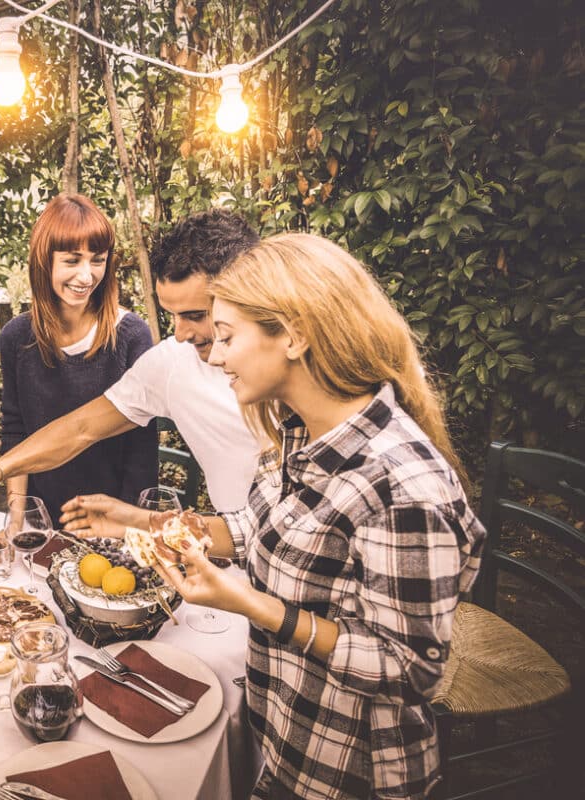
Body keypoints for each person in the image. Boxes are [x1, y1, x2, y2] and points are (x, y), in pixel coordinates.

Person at [152, 233, 484, 799]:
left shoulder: (403, 488)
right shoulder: (301, 433)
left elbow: (410, 670)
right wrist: (162, 530)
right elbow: (265, 531)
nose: (215, 354)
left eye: (228, 336)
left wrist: (250, 604)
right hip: (286, 743)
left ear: (295, 335)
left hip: (349, 772)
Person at [0, 208, 263, 533]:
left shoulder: (297, 372)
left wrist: (134, 521)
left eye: (196, 315)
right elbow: (80, 428)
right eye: (172, 315)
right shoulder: (172, 362)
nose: (180, 333)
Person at [0, 194, 156, 522]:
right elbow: (15, 431)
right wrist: (16, 520)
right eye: (72, 260)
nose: (86, 276)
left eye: (97, 260)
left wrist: (125, 525)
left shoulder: (132, 335)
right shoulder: (15, 338)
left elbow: (143, 450)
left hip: (112, 519)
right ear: (44, 261)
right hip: (41, 518)